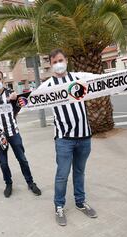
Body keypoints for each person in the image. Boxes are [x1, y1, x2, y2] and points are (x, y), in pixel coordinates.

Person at [40, 49, 98, 226]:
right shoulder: (47, 86)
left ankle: (80, 202)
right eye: (55, 61)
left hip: (84, 136)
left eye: (61, 60)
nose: (58, 64)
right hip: (64, 139)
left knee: (80, 172)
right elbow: (29, 100)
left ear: (66, 61)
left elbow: (103, 80)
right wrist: (14, 99)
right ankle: (59, 206)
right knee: (62, 175)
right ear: (51, 65)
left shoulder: (79, 77)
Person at [0, 70, 41, 198]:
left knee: (22, 158)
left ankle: (30, 182)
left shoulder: (12, 94)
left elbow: (18, 108)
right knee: (3, 162)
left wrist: (13, 104)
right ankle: (8, 183)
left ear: (3, 80)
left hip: (13, 132)